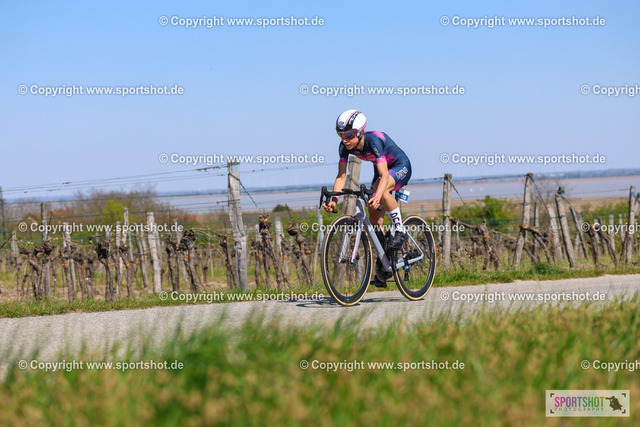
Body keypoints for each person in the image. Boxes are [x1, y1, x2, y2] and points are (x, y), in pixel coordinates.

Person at [322, 110, 412, 287]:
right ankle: (386, 264)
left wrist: (378, 195)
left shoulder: (374, 140)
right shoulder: (344, 147)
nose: (345, 139)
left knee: (381, 191)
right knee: (374, 220)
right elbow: (341, 176)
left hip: (400, 166)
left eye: (349, 135)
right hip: (381, 171)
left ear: (360, 132)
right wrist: (334, 200)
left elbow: (384, 176)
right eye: (341, 134)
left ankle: (400, 229)